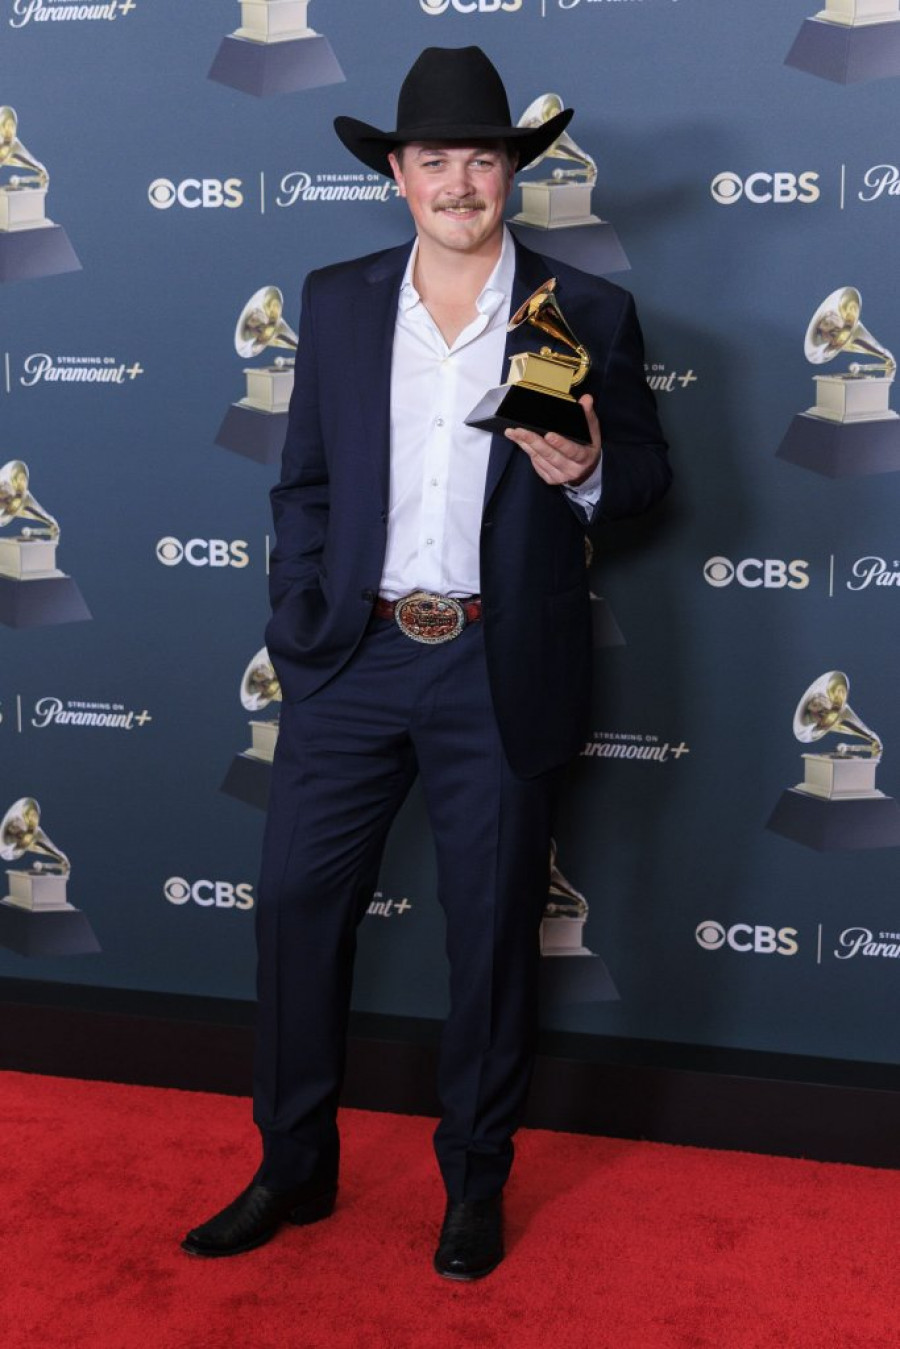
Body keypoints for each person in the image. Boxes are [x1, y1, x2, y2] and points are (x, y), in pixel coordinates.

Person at [182, 45, 670, 1280]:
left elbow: (649, 480)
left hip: (498, 663)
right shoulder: (340, 299)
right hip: (351, 657)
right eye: (434, 159)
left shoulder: (586, 308)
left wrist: (589, 471)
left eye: (481, 158)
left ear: (512, 172)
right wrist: (300, 616)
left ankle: (474, 1182)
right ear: (396, 175)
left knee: (492, 934)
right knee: (295, 909)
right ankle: (293, 1165)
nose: (459, 181)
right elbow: (304, 480)